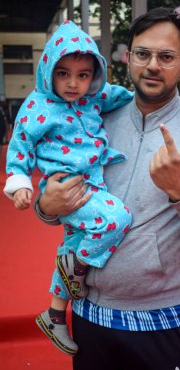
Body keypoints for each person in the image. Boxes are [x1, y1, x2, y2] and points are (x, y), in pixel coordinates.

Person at [34, 7, 180, 370]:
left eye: (166, 57)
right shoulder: (92, 119)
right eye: (143, 54)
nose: (152, 65)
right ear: (127, 57)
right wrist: (46, 206)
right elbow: (59, 189)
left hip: (162, 322)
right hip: (88, 316)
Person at [4, 20, 133, 356]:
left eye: (83, 74)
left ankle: (55, 314)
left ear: (94, 75)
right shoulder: (37, 106)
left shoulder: (94, 97)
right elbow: (20, 146)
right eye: (63, 73)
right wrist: (18, 182)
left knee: (72, 244)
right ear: (49, 70)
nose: (74, 83)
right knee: (117, 217)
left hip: (94, 180)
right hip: (67, 186)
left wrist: (143, 97)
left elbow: (123, 95)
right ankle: (78, 264)